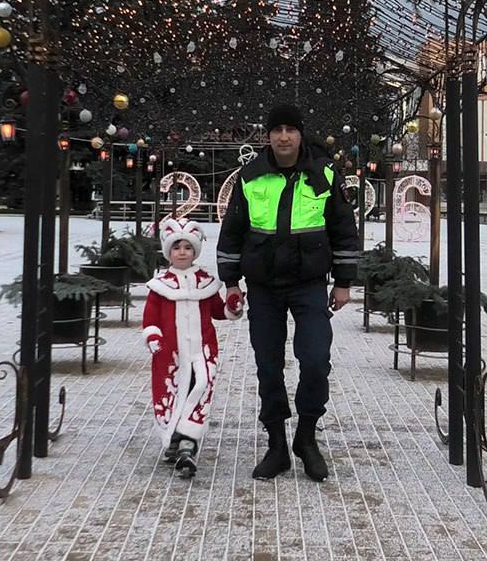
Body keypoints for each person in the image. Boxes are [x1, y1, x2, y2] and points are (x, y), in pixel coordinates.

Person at [216, 103, 360, 482]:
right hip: (263, 287)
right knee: (268, 366)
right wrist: (230, 282)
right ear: (268, 136)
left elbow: (344, 229)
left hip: (308, 284)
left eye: (290, 130)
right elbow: (232, 232)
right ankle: (277, 444)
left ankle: (306, 438)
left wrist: (344, 281)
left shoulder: (324, 174)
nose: (283, 137)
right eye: (277, 130)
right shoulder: (250, 177)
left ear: (300, 134)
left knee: (315, 361)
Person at [141, 217, 243, 478]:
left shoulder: (205, 283)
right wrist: (153, 337)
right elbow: (150, 317)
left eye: (188, 247)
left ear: (195, 251)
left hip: (202, 354)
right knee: (174, 393)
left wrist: (232, 306)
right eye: (177, 247)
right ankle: (173, 438)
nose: (182, 252)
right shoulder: (160, 286)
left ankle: (188, 442)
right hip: (171, 356)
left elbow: (218, 311)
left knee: (199, 389)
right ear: (168, 252)